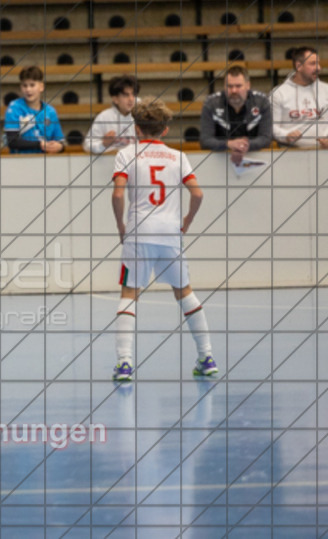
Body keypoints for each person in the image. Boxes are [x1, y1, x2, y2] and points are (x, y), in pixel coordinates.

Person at [110, 97, 217, 382]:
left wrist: (121, 225)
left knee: (129, 293)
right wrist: (186, 222)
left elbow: (118, 194)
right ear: (165, 129)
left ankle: (124, 364)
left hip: (139, 232)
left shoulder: (126, 155)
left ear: (136, 127)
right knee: (184, 292)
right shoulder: (178, 156)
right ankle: (206, 357)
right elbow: (197, 193)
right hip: (170, 233)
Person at [199, 65, 273, 164]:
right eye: (229, 86)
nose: (234, 90)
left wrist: (244, 145)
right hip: (219, 163)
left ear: (248, 85)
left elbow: (266, 138)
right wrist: (228, 144)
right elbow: (205, 140)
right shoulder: (211, 103)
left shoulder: (262, 102)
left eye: (238, 86)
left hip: (256, 160)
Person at [271, 46, 328, 148]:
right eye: (312, 63)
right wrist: (286, 135)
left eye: (318, 63)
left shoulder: (326, 90)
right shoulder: (278, 94)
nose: (318, 68)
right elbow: (271, 126)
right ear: (299, 66)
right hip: (291, 153)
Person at [4, 65, 66, 154]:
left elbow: (60, 141)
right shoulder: (14, 108)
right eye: (25, 85)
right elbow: (12, 142)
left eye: (32, 85)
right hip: (19, 162)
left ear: (41, 87)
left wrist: (60, 147)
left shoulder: (50, 111)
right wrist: (40, 145)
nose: (28, 89)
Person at [85, 74, 138, 154]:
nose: (131, 99)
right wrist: (103, 144)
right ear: (115, 99)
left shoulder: (141, 116)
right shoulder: (104, 117)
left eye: (133, 94)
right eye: (126, 95)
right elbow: (87, 145)